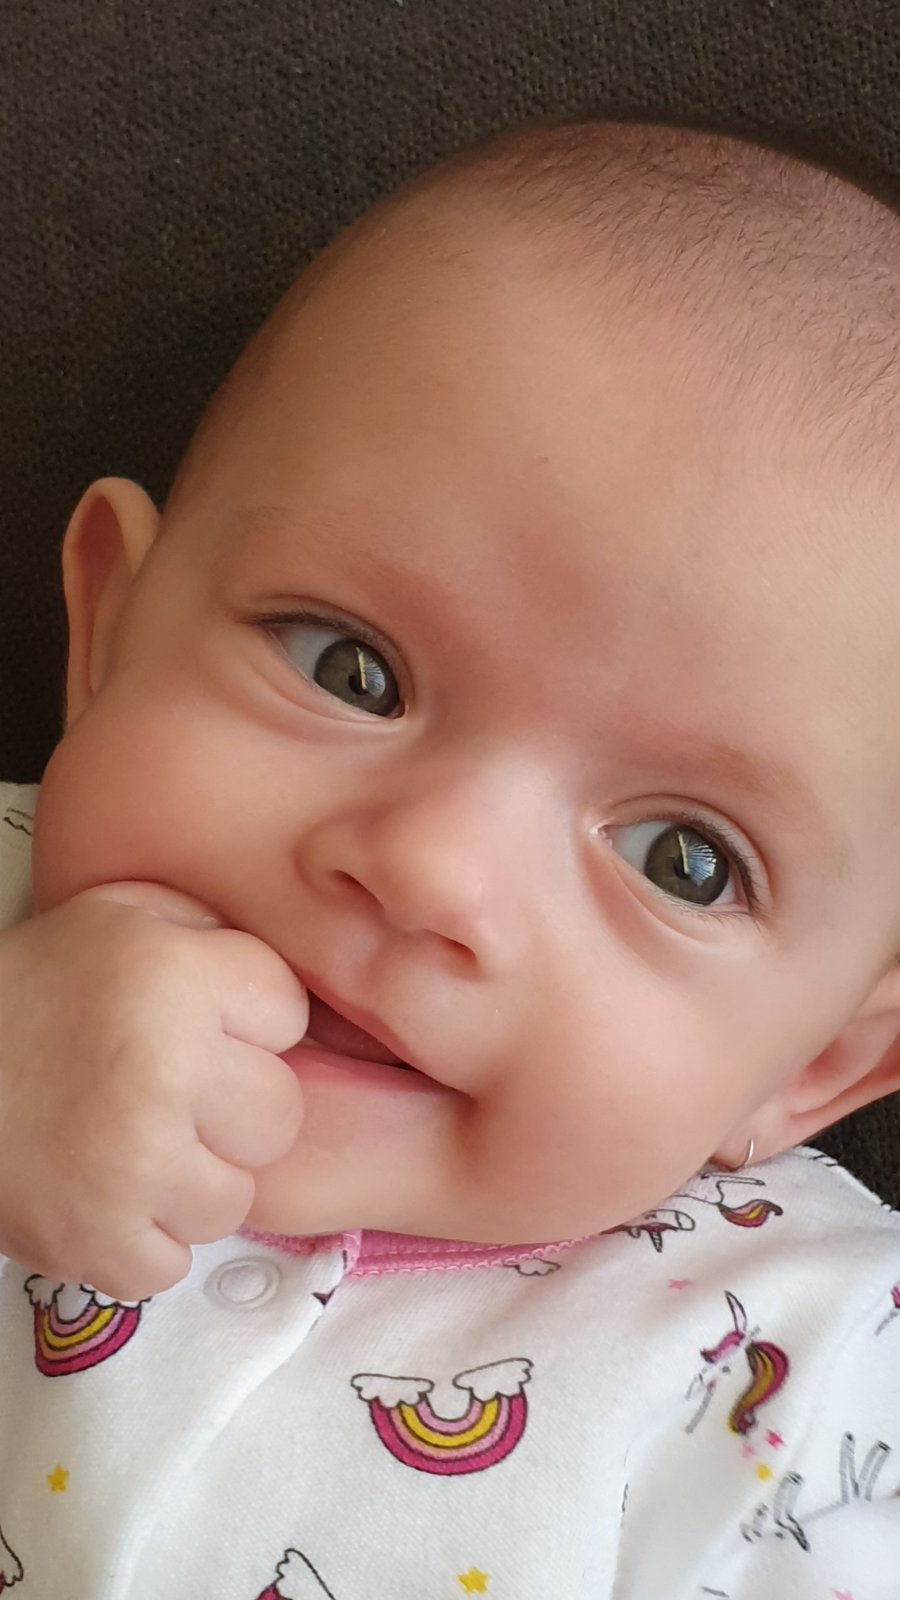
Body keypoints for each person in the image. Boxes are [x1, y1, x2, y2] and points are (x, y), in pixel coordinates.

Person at [0, 115, 899, 1595]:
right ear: (105, 637)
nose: (431, 873)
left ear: (816, 1066)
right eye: (349, 669)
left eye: (682, 859)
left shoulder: (807, 1372)